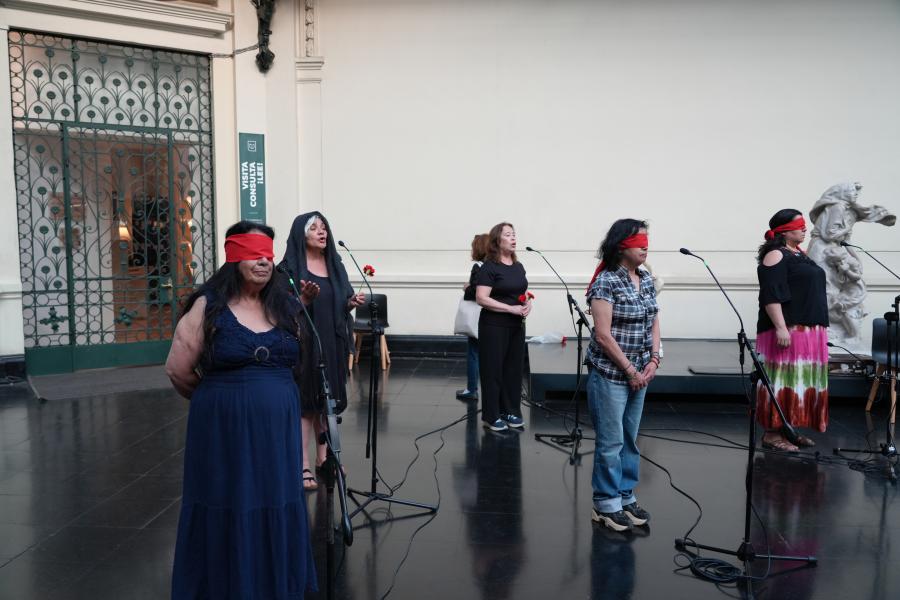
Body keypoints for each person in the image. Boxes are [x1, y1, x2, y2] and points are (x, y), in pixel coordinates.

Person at [166, 221, 318, 598]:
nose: (263, 261)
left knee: (274, 498)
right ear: (233, 257)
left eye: (267, 254)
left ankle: (272, 581)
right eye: (253, 253)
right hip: (223, 431)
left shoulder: (283, 306)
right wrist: (221, 404)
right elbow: (178, 370)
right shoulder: (209, 307)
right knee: (229, 498)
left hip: (278, 430)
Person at [281, 211, 365, 491]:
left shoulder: (335, 266)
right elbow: (281, 309)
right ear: (300, 234)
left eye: (324, 227)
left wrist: (350, 302)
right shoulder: (289, 269)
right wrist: (302, 299)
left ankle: (324, 457)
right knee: (306, 406)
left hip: (331, 342)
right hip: (303, 344)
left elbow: (339, 304)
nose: (322, 232)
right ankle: (302, 465)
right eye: (314, 228)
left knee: (327, 405)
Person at [585, 219, 659, 532]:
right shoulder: (606, 282)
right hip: (612, 374)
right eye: (637, 240)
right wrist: (629, 370)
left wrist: (654, 359)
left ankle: (625, 496)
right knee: (611, 442)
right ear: (620, 246)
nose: (645, 245)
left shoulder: (646, 279)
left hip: (641, 372)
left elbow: (654, 321)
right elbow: (602, 334)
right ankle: (605, 503)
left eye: (646, 239)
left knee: (630, 439)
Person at [756, 209, 829, 452]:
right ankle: (771, 433)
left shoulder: (799, 253)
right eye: (799, 224)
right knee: (781, 379)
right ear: (784, 230)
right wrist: (781, 328)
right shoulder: (775, 255)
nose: (804, 228)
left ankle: (788, 428)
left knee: (798, 380)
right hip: (788, 328)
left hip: (807, 328)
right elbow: (771, 294)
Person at [475, 222, 530, 432]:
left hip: (516, 325)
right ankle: (491, 415)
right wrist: (510, 309)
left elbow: (521, 292)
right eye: (508, 235)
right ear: (498, 240)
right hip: (494, 326)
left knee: (513, 371)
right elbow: (481, 298)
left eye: (514, 234)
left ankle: (510, 411)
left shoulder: (518, 267)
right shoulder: (490, 267)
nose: (514, 238)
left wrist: (527, 303)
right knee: (493, 370)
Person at [457, 233, 490, 401]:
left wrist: (466, 287)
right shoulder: (495, 265)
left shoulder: (478, 266)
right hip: (493, 316)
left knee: (473, 353)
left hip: (478, 317)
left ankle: (471, 389)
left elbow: (475, 293)